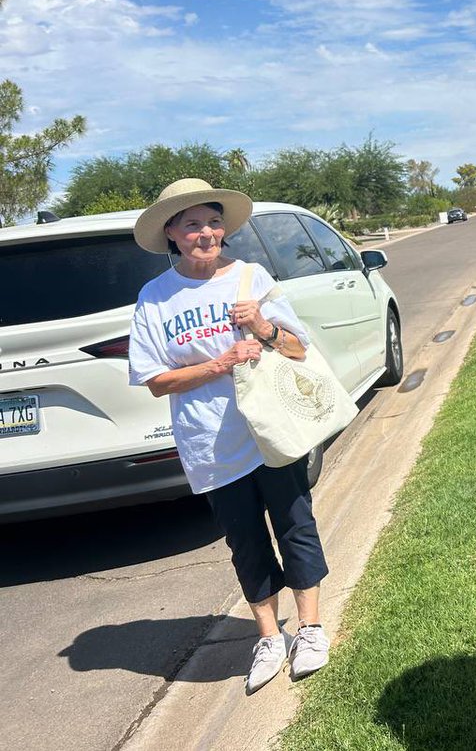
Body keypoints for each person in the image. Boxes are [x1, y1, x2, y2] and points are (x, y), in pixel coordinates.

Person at [128, 178, 332, 694]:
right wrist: (219, 364)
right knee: (245, 543)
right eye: (192, 225)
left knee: (295, 525)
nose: (205, 233)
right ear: (171, 234)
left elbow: (296, 349)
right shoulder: (155, 298)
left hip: (269, 431)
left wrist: (262, 326)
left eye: (212, 222)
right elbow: (155, 381)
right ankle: (268, 636)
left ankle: (309, 627)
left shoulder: (250, 276)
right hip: (209, 445)